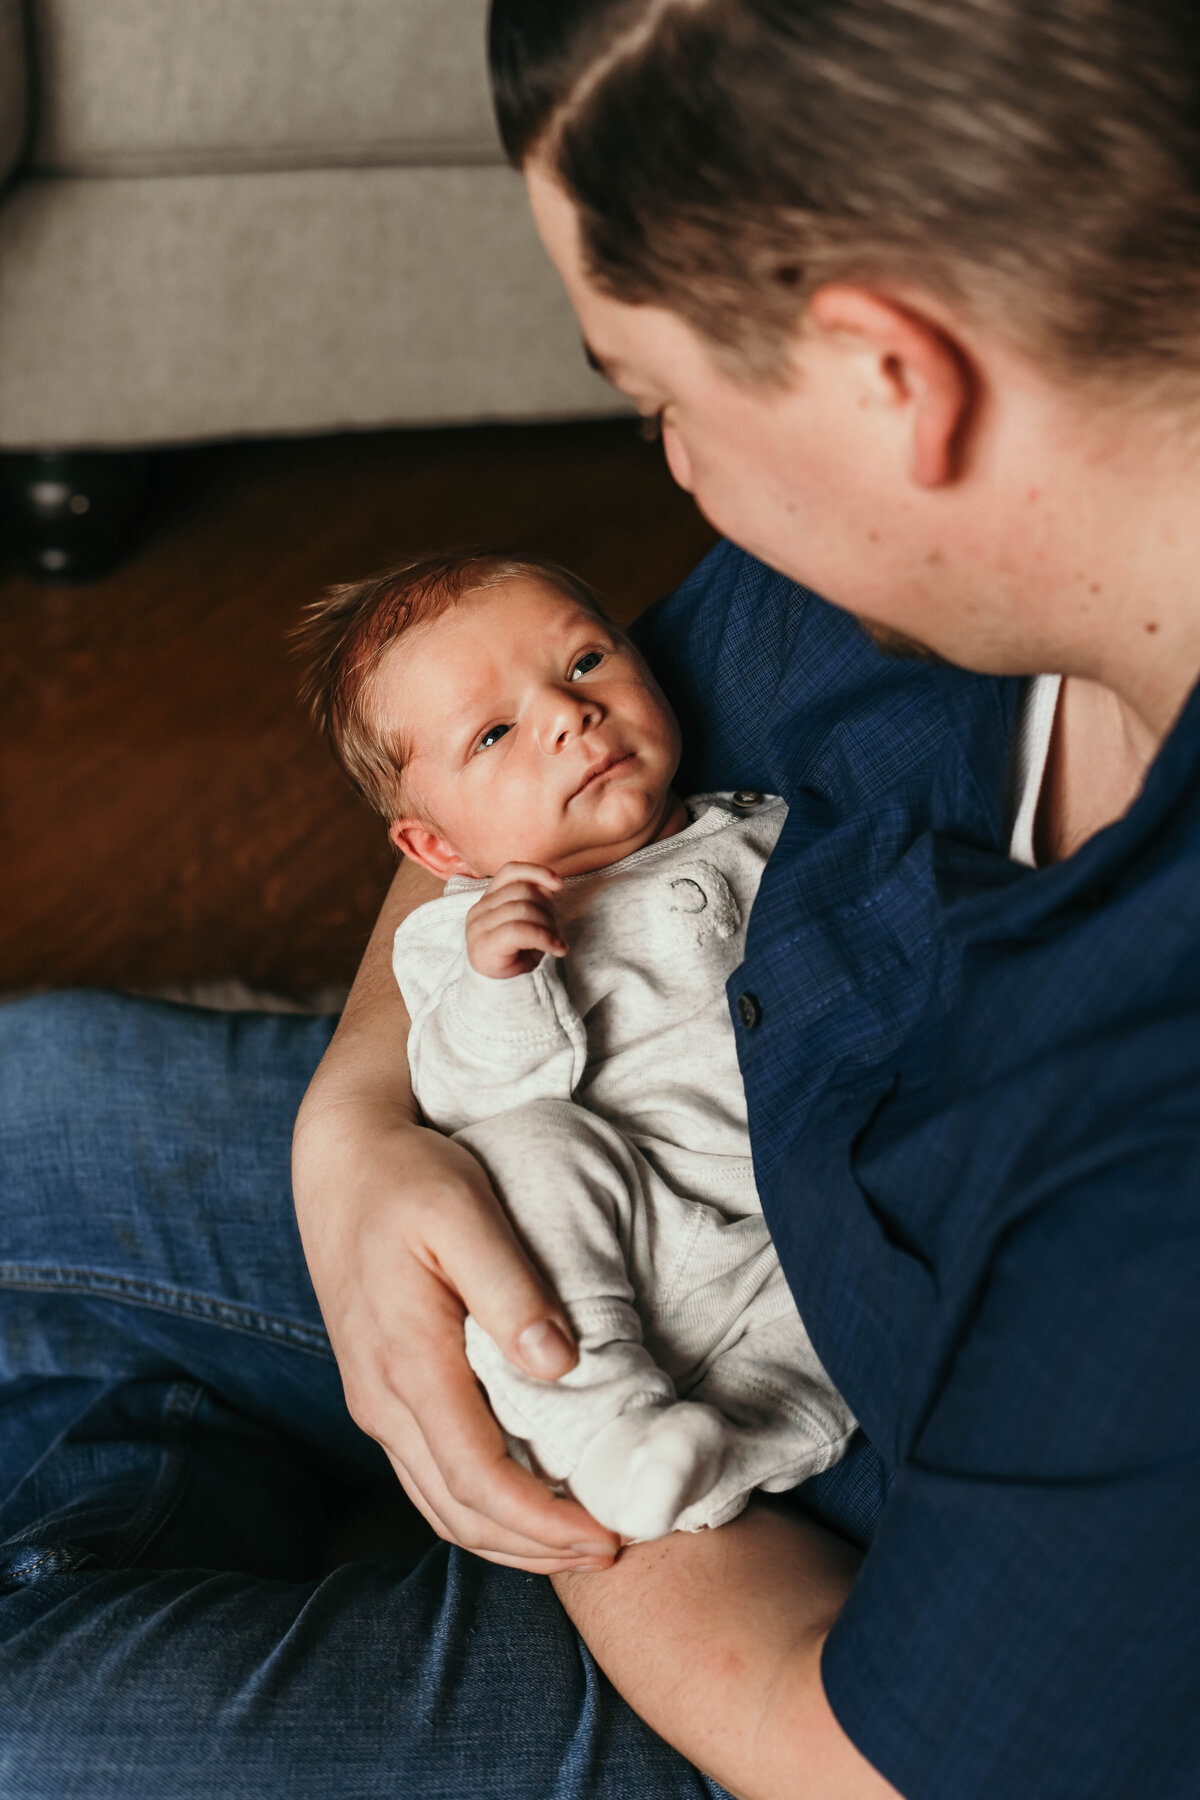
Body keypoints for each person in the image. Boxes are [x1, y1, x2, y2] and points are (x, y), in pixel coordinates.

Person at [2, 2, 1198, 1796]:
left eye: (656, 404)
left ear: (893, 375)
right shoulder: (947, 553)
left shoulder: (1148, 1168)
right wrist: (361, 1144)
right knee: (34, 1108)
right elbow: (522, 817)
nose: (680, 477)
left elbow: (866, 1761)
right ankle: (253, 1458)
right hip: (641, 1135)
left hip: (789, 1542)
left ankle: (238, 1475)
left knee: (35, 1724)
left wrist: (549, 1423)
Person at [295, 549, 855, 1540]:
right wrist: (502, 980)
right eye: (496, 732)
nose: (568, 714)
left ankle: (720, 1459)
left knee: (831, 1332)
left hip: (782, 1222)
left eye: (588, 661)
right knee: (525, 1155)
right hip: (624, 1235)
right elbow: (468, 1099)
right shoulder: (462, 934)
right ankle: (609, 1428)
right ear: (437, 852)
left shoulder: (759, 827)